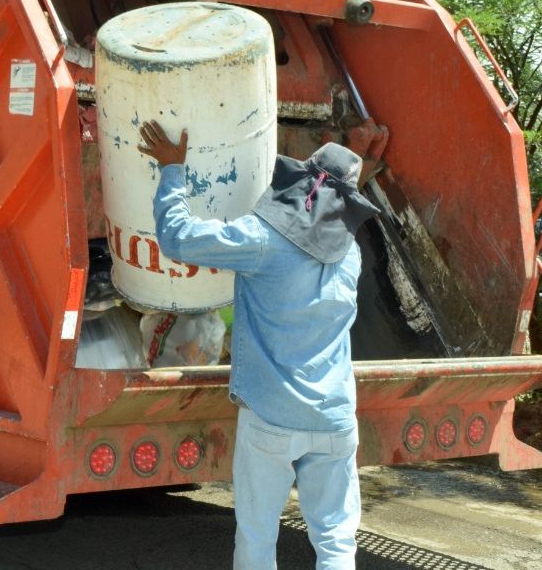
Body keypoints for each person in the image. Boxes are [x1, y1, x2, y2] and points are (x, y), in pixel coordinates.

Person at [137, 120, 378, 570]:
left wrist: (173, 170)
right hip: (336, 420)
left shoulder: (262, 240)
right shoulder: (352, 254)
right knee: (336, 541)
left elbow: (177, 237)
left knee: (257, 535)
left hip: (272, 418)